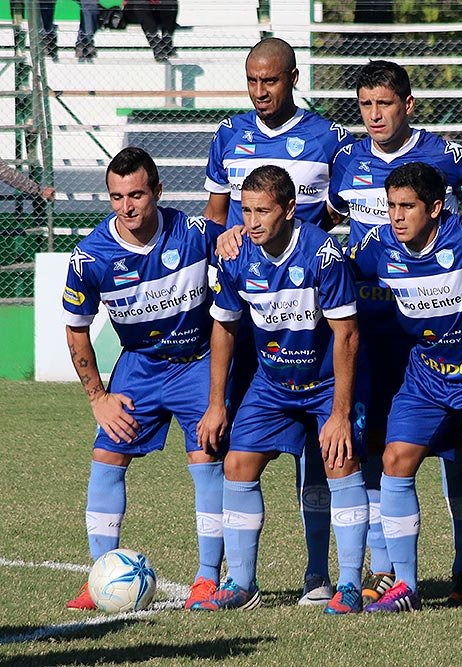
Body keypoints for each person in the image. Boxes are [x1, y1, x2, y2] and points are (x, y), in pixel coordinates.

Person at [325, 60, 462, 608]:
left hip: (442, 329)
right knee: (379, 447)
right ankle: (386, 569)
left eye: (384, 103)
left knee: (460, 453)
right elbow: (320, 226)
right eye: (365, 105)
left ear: (407, 104)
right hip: (372, 328)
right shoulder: (346, 160)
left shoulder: (448, 158)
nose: (374, 115)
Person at [204, 37, 354, 607]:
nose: (259, 91)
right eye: (251, 81)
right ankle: (234, 579)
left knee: (325, 455)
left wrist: (306, 245)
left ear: (293, 78)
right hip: (259, 317)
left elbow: (349, 204)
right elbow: (217, 219)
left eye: (269, 80)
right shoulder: (228, 134)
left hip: (313, 306)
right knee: (241, 453)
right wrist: (232, 242)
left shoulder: (331, 137)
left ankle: (326, 575)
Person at [348, 162, 462, 616]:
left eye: (407, 206)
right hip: (427, 377)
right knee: (394, 459)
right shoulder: (378, 245)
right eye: (391, 206)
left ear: (437, 207)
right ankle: (406, 584)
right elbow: (330, 269)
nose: (396, 216)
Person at [193, 165, 367, 613]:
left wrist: (340, 413)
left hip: (326, 382)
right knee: (237, 465)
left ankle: (349, 583)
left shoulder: (323, 255)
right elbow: (224, 329)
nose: (251, 222)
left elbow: (347, 335)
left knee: (339, 461)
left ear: (289, 209)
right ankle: (241, 583)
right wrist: (216, 404)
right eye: (246, 211)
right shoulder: (236, 257)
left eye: (263, 211)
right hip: (272, 384)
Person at [61, 147, 223, 611]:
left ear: (157, 191)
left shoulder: (194, 234)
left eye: (136, 195)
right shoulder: (90, 257)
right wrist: (98, 397)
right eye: (116, 197)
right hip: (140, 366)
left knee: (206, 457)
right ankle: (100, 575)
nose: (126, 207)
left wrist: (233, 237)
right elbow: (76, 329)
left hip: (196, 363)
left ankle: (208, 578)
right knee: (106, 455)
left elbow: (241, 246)